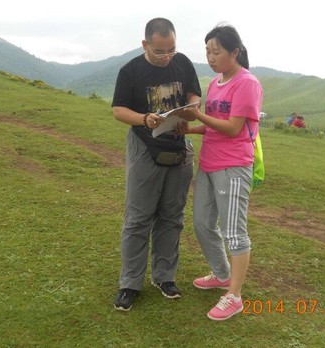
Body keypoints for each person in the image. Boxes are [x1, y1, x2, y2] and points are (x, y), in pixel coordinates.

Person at [111, 17, 202, 311]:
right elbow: (118, 110)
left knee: (172, 216)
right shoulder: (131, 71)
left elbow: (193, 94)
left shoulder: (182, 63)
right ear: (145, 44)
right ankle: (130, 283)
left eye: (171, 50)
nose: (166, 57)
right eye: (159, 51)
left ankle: (165, 277)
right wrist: (144, 118)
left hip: (178, 147)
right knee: (138, 218)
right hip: (144, 147)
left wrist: (192, 107)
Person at [179, 24, 263, 320]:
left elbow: (233, 128)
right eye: (207, 52)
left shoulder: (247, 83)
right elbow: (214, 125)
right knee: (202, 223)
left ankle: (235, 296)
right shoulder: (216, 82)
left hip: (234, 165)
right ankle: (222, 274)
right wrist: (190, 128)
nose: (211, 57)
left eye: (216, 52)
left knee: (234, 233)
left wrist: (198, 115)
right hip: (209, 163)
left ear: (234, 52)